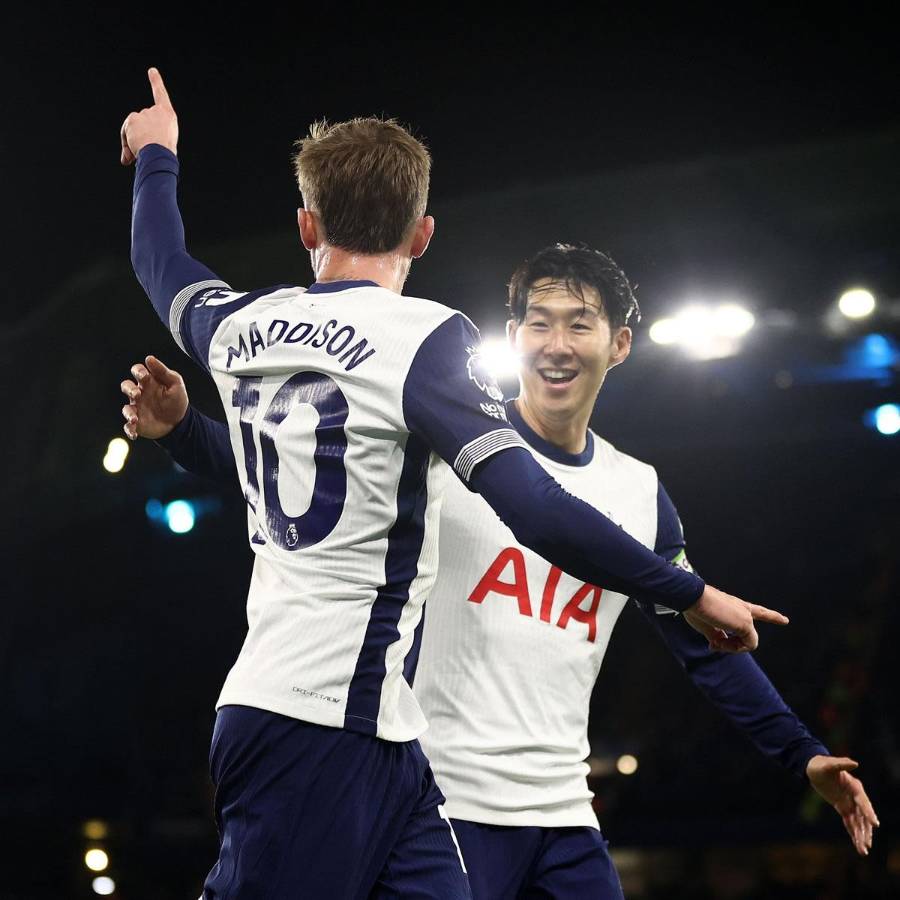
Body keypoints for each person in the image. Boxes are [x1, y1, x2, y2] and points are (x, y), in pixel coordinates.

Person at [120, 68, 788, 898]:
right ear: (423, 234)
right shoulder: (426, 340)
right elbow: (536, 507)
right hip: (312, 718)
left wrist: (158, 156)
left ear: (305, 225)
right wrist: (687, 590)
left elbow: (160, 260)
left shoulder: (239, 323)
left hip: (384, 733)